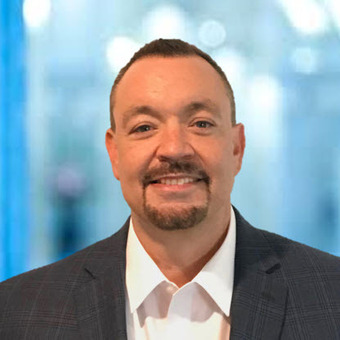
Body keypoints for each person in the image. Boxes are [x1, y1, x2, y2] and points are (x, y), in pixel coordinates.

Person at [0, 39, 340, 340]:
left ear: (237, 148)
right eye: (144, 127)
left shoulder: (331, 297)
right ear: (114, 154)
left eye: (201, 124)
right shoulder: (16, 311)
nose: (174, 149)